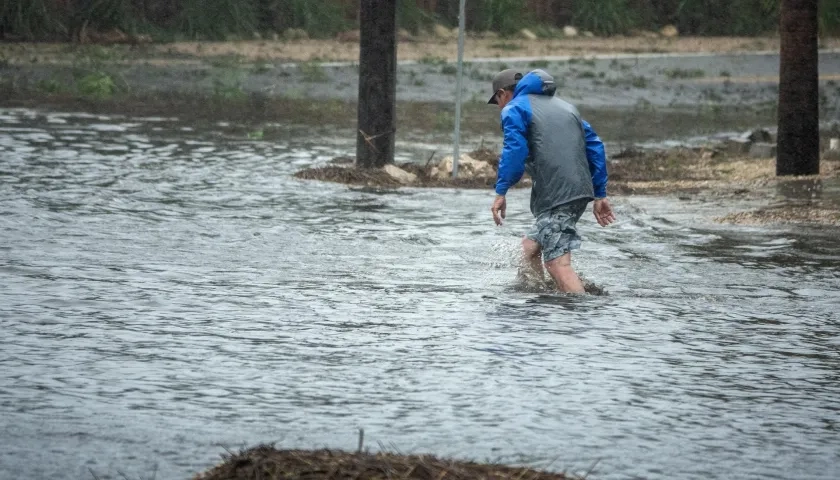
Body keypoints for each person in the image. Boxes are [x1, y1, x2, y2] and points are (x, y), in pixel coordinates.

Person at [488, 68, 616, 293]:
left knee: (557, 263)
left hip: (559, 195)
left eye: (497, 100)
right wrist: (600, 193)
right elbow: (595, 146)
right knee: (529, 250)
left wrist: (502, 191)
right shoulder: (567, 108)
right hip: (576, 192)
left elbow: (514, 152)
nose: (499, 106)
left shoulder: (514, 108)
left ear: (502, 93)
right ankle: (541, 299)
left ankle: (579, 312)